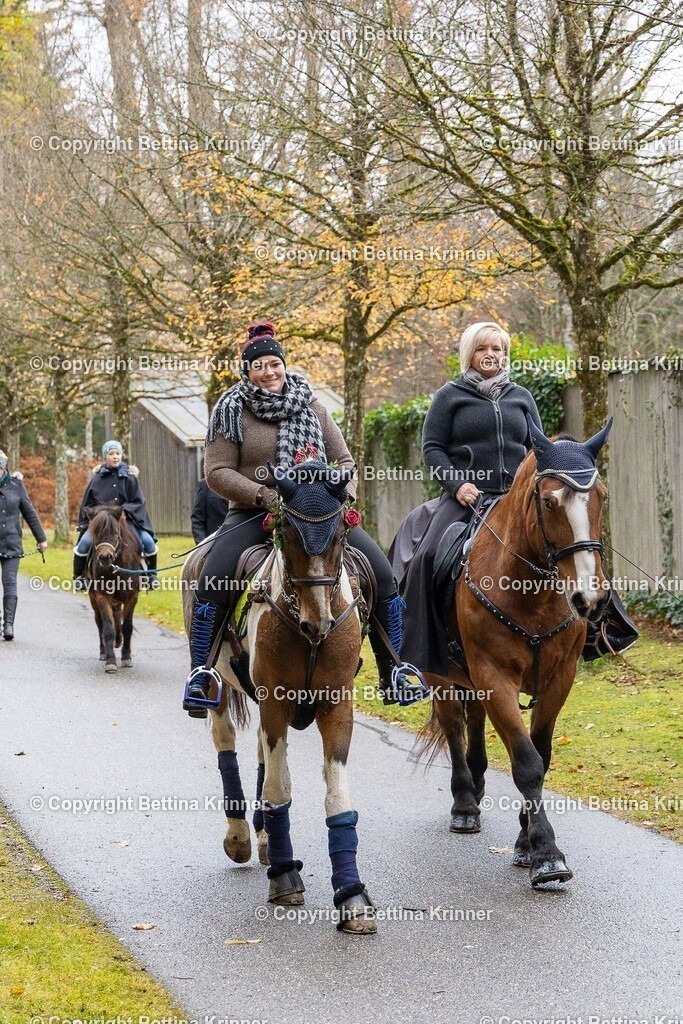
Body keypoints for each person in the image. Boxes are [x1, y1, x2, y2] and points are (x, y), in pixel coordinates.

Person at [182, 319, 430, 718]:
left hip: (318, 516)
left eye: (274, 364)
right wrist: (263, 495)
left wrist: (338, 497)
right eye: (259, 365)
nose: (268, 371)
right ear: (247, 371)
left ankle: (395, 670)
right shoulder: (230, 410)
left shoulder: (313, 406)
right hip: (252, 514)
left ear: (284, 364)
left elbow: (345, 462)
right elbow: (217, 473)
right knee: (213, 577)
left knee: (382, 574)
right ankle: (202, 674)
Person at [394, 321, 543, 677]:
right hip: (466, 499)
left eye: (497, 349)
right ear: (469, 353)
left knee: (571, 542)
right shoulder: (450, 395)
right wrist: (457, 485)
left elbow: (539, 449)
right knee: (427, 557)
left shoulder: (520, 396)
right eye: (483, 348)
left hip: (516, 500)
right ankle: (418, 657)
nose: (491, 355)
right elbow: (432, 448)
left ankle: (598, 629)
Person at [73, 440, 159, 590]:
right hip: (102, 524)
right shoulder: (96, 480)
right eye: (111, 454)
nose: (115, 457)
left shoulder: (130, 478)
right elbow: (88, 505)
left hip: (127, 521)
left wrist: (124, 510)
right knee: (83, 545)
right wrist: (99, 515)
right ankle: (79, 577)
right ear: (105, 457)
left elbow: (139, 501)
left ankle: (151, 576)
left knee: (148, 542)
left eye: (118, 453)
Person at [0, 449, 48, 640]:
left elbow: (29, 513)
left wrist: (41, 538)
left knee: (10, 583)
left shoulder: (17, 486)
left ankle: (8, 625)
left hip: (11, 543)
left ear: (3, 467)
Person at [191, 476, 230, 543]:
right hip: (213, 544)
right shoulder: (204, 485)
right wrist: (202, 545)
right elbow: (197, 519)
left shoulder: (246, 483)